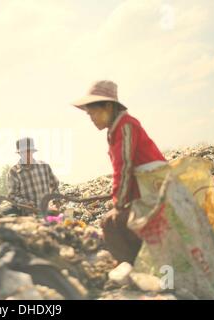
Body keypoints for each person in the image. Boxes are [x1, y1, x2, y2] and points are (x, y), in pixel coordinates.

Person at [72, 80, 167, 264]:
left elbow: (123, 168)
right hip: (146, 192)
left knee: (111, 224)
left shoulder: (125, 126)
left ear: (108, 106)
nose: (92, 119)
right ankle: (143, 266)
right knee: (119, 223)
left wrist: (119, 204)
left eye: (93, 113)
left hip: (155, 193)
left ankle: (137, 268)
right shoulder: (117, 128)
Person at [4, 137, 59, 215]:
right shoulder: (14, 172)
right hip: (26, 215)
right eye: (24, 152)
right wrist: (25, 203)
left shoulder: (44, 167)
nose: (27, 154)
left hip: (46, 212)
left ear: (33, 152)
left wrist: (56, 203)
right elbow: (12, 196)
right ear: (19, 153)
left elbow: (55, 185)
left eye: (29, 151)